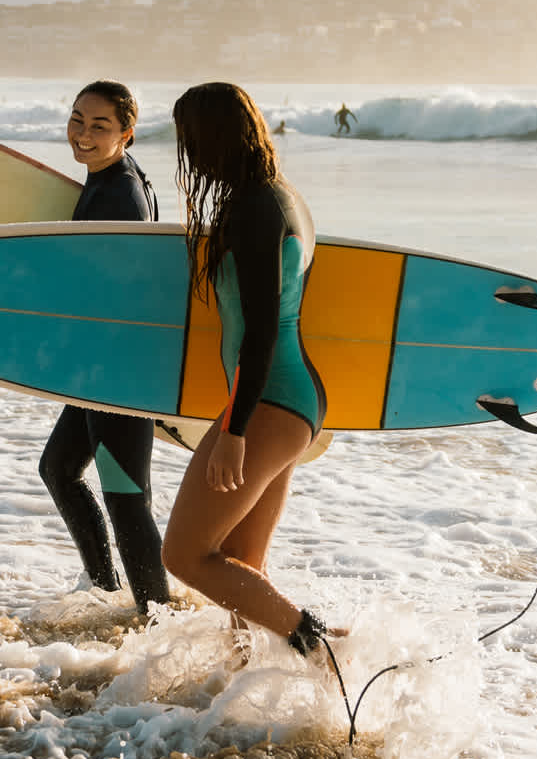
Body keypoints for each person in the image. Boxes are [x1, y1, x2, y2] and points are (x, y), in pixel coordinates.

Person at [160, 81, 331, 656]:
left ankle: (321, 644)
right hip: (287, 397)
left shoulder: (260, 209)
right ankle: (245, 683)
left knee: (184, 555)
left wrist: (234, 431)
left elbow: (259, 331)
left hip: (271, 400)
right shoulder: (281, 197)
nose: (187, 153)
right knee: (239, 566)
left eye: (189, 138)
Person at [38, 80, 171, 612]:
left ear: (127, 134)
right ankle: (104, 590)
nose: (83, 135)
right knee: (60, 469)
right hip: (102, 367)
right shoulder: (113, 179)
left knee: (125, 496)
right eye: (77, 120)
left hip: (119, 371)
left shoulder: (119, 194)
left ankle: (156, 619)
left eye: (99, 126)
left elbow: (124, 289)